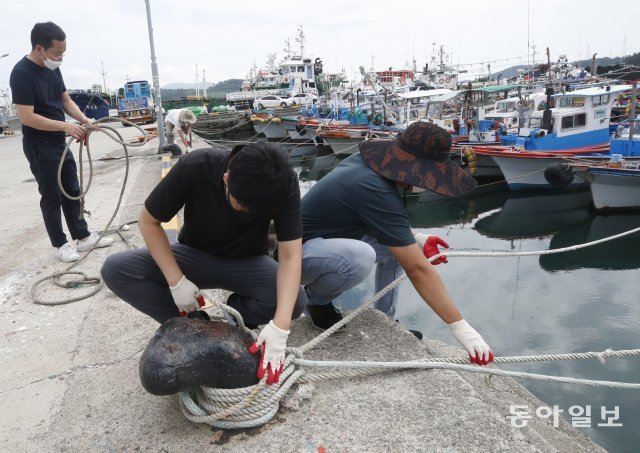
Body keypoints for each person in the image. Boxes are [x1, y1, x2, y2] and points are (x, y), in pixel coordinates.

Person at [100, 143, 307, 384]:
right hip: (193, 256)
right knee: (116, 269)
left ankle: (239, 317)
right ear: (226, 179)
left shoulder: (283, 183)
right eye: (241, 208)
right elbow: (148, 221)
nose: (248, 216)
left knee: (295, 302)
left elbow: (291, 255)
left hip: (247, 261)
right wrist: (176, 281)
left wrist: (280, 327)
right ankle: (194, 325)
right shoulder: (196, 165)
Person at [300, 122, 494, 366]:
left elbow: (379, 225)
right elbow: (418, 269)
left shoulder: (368, 166)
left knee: (396, 252)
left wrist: (418, 240)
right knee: (361, 257)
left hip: (325, 244)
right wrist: (461, 328)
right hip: (296, 256)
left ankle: (385, 321)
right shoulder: (373, 186)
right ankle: (315, 301)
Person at [9, 22, 113, 262]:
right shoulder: (21, 73)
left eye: (63, 52)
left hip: (58, 141)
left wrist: (85, 120)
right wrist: (66, 126)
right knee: (51, 195)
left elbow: (65, 100)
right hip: (39, 144)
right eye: (57, 53)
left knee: (72, 190)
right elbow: (27, 117)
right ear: (40, 49)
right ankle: (61, 244)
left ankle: (83, 236)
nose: (61, 58)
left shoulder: (52, 69)